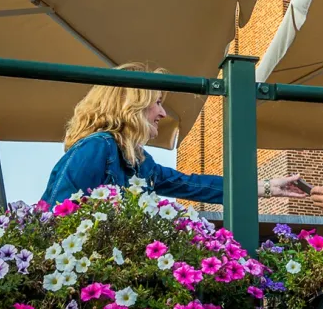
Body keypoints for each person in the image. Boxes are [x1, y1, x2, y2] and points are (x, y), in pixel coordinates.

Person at [40, 63, 306, 205]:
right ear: (131, 105)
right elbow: (57, 215)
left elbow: (192, 185)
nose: (163, 113)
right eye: (156, 102)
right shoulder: (97, 148)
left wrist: (269, 187)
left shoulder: (139, 162)